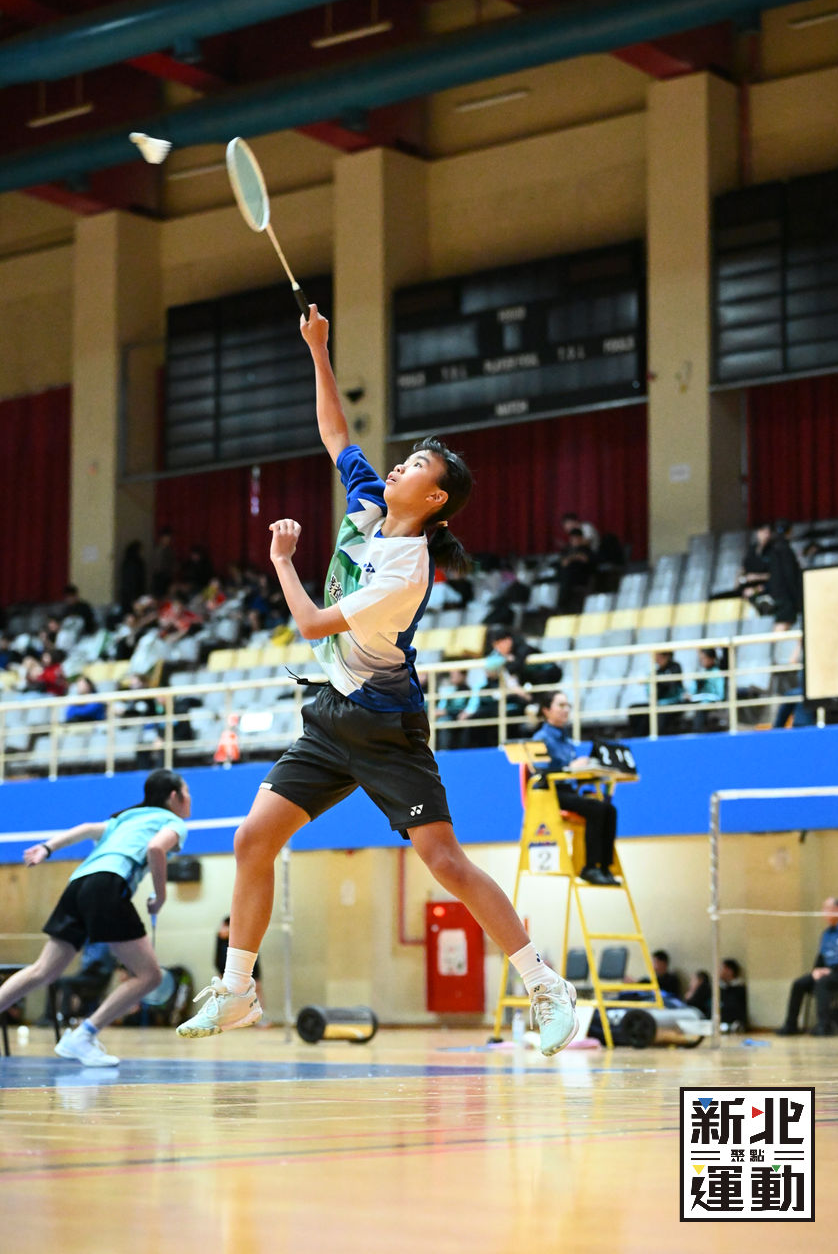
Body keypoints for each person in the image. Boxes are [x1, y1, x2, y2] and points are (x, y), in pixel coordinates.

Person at [177, 304, 578, 1057]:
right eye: (404, 460)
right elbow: (335, 433)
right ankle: (237, 989)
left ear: (434, 500)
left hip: (386, 726)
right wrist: (318, 348)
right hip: (331, 715)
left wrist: (282, 561)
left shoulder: (405, 569)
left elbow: (311, 624)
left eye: (416, 468)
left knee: (444, 862)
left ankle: (545, 985)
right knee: (252, 838)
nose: (399, 467)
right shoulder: (367, 506)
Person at [0, 769, 191, 1066]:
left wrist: (48, 847)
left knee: (43, 970)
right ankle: (83, 1036)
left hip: (78, 884)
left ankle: (81, 1037)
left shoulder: (125, 818)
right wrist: (161, 897)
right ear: (174, 796)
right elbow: (156, 848)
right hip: (107, 886)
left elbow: (87, 829)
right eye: (187, 792)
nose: (190, 798)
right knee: (150, 976)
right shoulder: (173, 822)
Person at [531, 690, 619, 886]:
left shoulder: (566, 739)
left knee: (609, 809)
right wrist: (570, 767)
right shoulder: (541, 738)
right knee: (596, 809)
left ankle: (605, 868)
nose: (566, 710)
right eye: (560, 705)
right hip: (551, 794)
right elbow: (540, 772)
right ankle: (589, 868)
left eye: (568, 706)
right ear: (546, 710)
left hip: (569, 791)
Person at [777, 897, 838, 1036]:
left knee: (823, 983)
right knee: (799, 984)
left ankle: (824, 1026)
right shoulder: (826, 934)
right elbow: (821, 958)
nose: (823, 912)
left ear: (837, 910)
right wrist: (816, 970)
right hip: (828, 973)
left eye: (826, 908)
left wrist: (830, 971)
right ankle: (791, 1025)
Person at [719, 957, 748, 1031]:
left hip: (735, 1021)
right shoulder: (719, 988)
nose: (719, 971)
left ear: (730, 971)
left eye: (721, 969)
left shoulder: (740, 988)